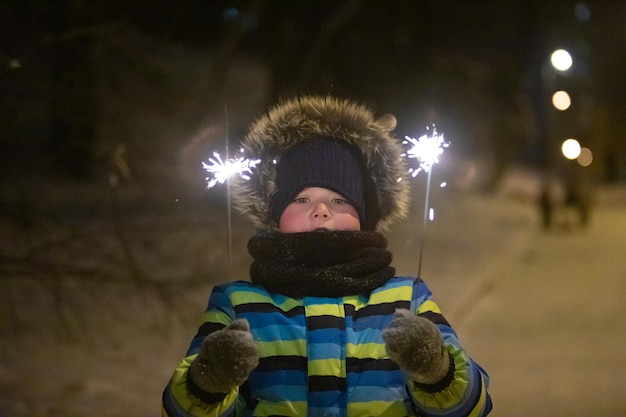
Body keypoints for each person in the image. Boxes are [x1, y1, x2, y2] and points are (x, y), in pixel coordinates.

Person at [162, 95, 492, 417]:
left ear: (366, 215)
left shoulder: (407, 299)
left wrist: (436, 370)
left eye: (339, 201)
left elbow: (471, 405)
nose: (321, 211)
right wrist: (209, 379)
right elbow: (178, 409)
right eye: (302, 199)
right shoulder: (238, 304)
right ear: (274, 214)